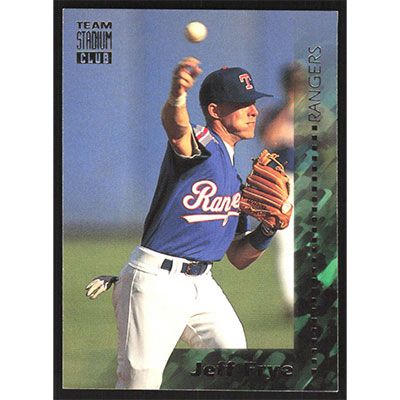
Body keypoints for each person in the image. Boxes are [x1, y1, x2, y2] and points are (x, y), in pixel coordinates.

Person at [87, 57, 282, 390]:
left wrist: (267, 230)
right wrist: (178, 95)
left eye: (253, 103)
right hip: (156, 282)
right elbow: (177, 129)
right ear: (215, 110)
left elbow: (238, 256)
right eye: (242, 104)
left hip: (202, 284)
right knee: (140, 383)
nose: (253, 111)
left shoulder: (235, 179)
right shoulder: (203, 142)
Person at [258, 62, 305, 316]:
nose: (296, 88)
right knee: (286, 241)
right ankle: (291, 301)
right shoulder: (276, 113)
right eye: (293, 83)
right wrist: (290, 108)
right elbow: (269, 138)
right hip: (282, 182)